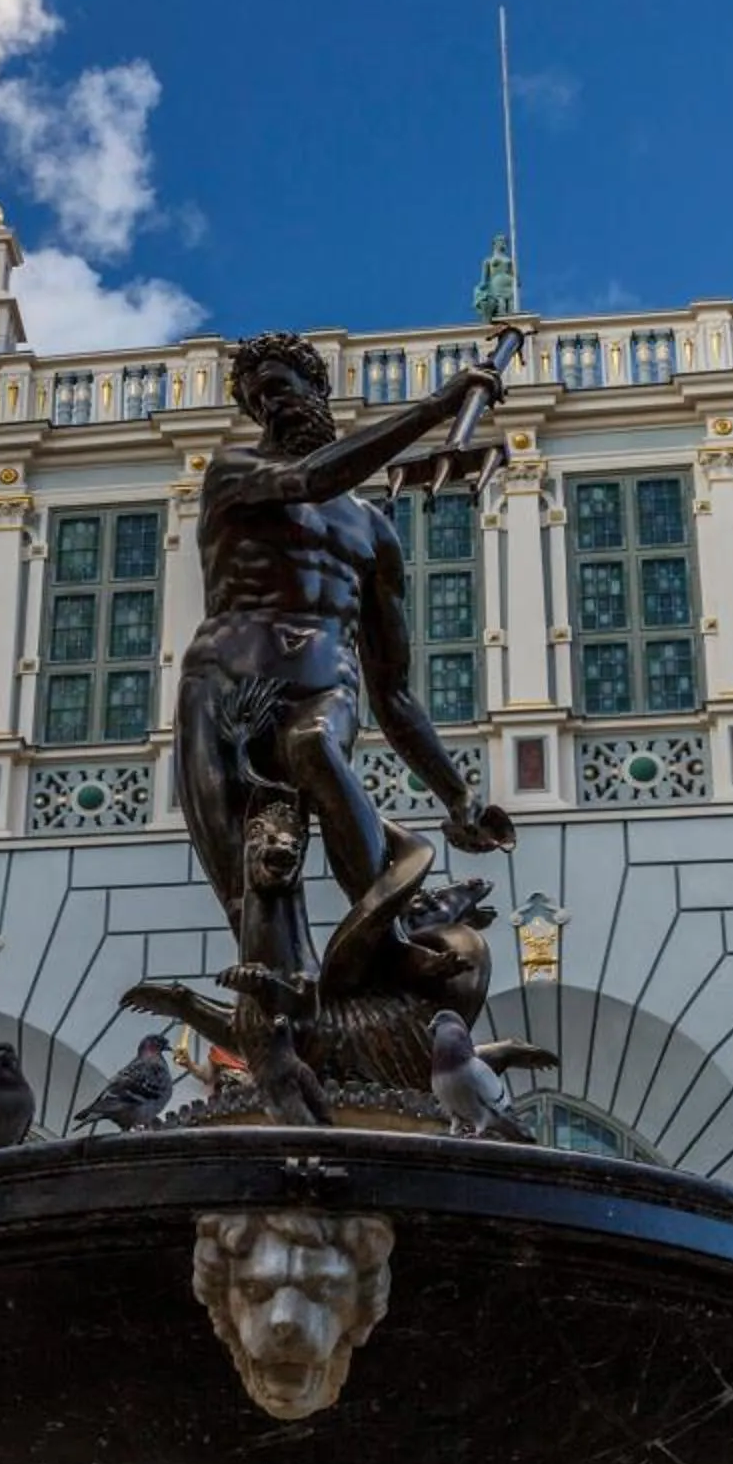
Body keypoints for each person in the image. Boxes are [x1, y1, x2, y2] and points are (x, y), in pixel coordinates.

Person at [177, 333, 514, 994]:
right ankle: (296, 1022)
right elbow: (313, 478)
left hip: (322, 688)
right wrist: (434, 410)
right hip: (223, 690)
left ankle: (385, 940)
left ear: (316, 389)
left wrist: (458, 796)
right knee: (251, 908)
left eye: (280, 387)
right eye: (255, 398)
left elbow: (394, 690)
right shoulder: (236, 472)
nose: (268, 405)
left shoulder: (372, 531)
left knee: (315, 750)